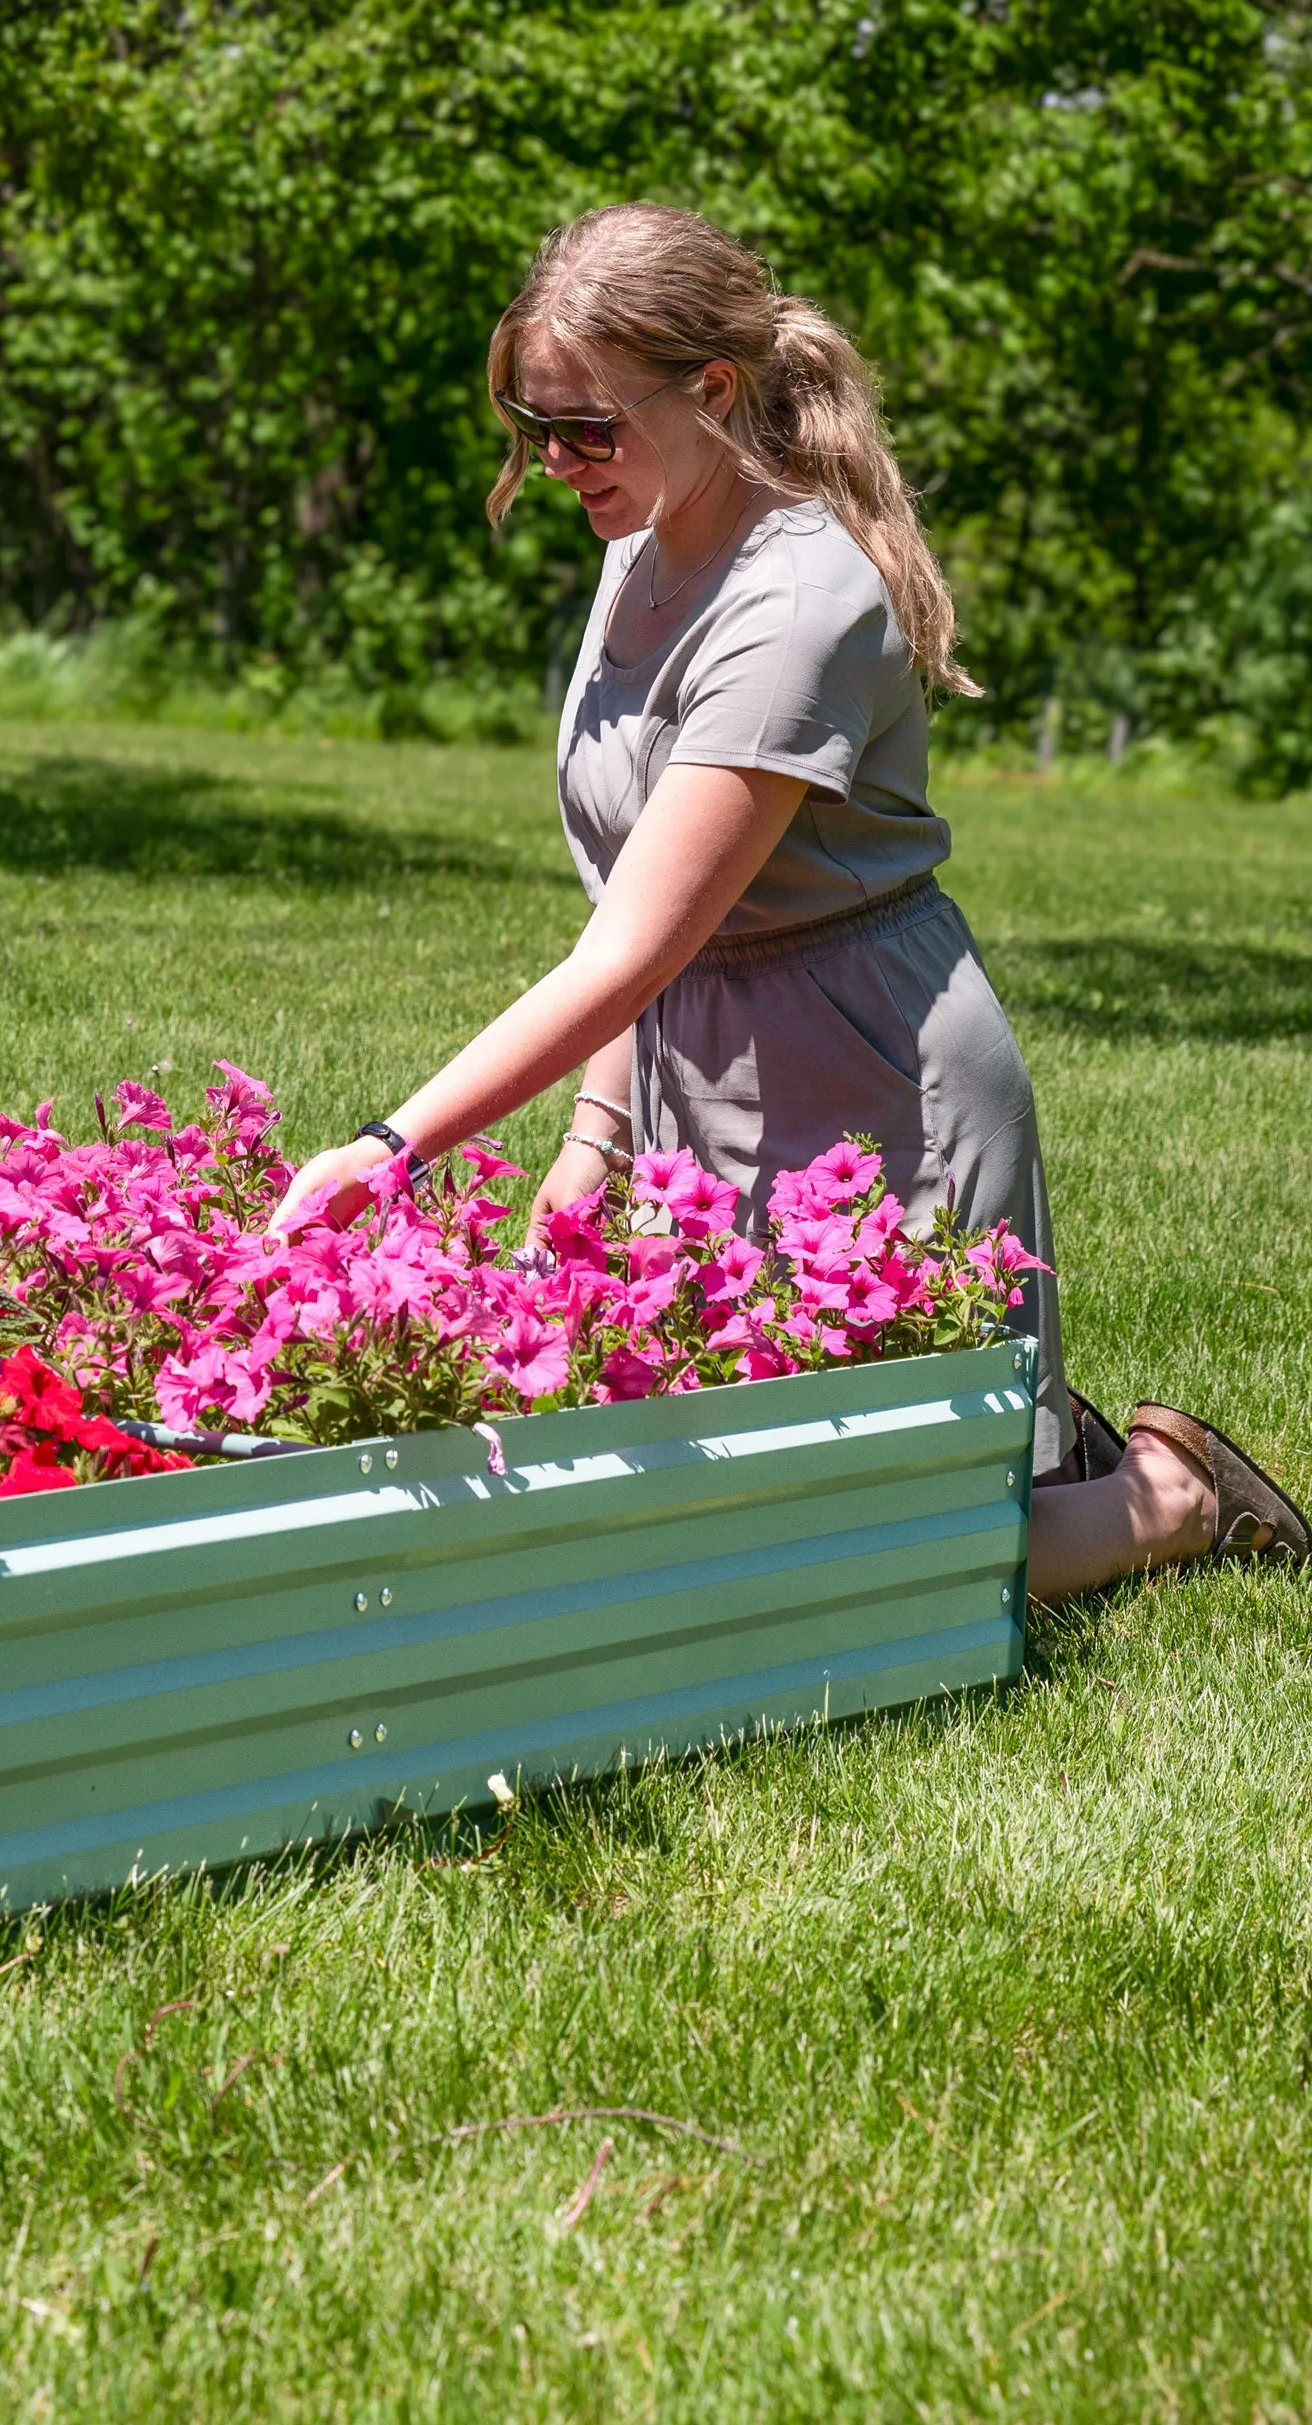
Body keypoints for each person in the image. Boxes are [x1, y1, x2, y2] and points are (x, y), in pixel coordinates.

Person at [267, 202, 1304, 1603]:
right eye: (532, 424)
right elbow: (640, 906)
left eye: (588, 430)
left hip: (875, 1087)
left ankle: (1163, 1496)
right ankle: (1038, 1470)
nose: (559, 464)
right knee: (670, 1516)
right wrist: (597, 1133)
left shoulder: (796, 604)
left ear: (711, 392)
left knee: (850, 1572)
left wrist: (388, 1148)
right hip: (703, 1061)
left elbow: (630, 951)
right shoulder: (641, 538)